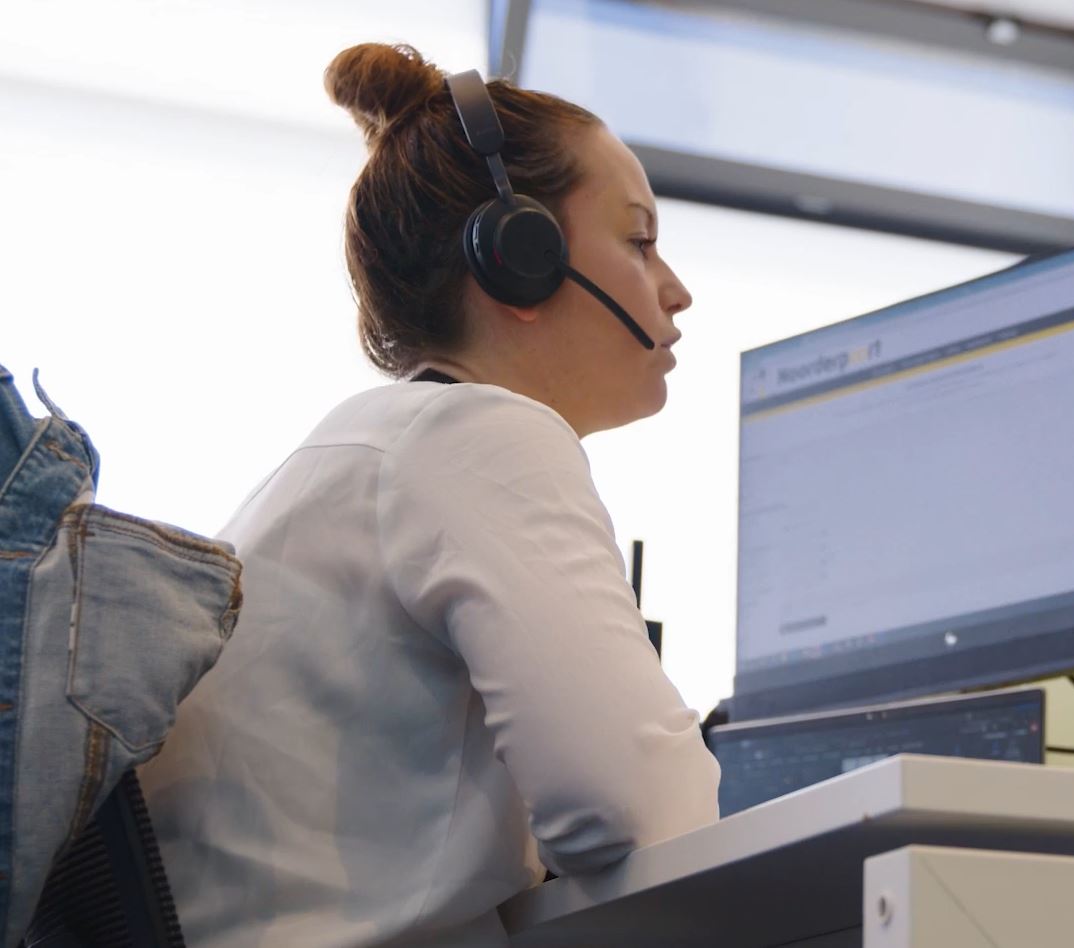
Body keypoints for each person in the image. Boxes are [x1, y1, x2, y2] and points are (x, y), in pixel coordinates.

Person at [140, 42, 719, 948]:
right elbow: (641, 811)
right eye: (640, 241)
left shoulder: (352, 458)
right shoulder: (483, 439)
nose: (676, 291)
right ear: (518, 261)